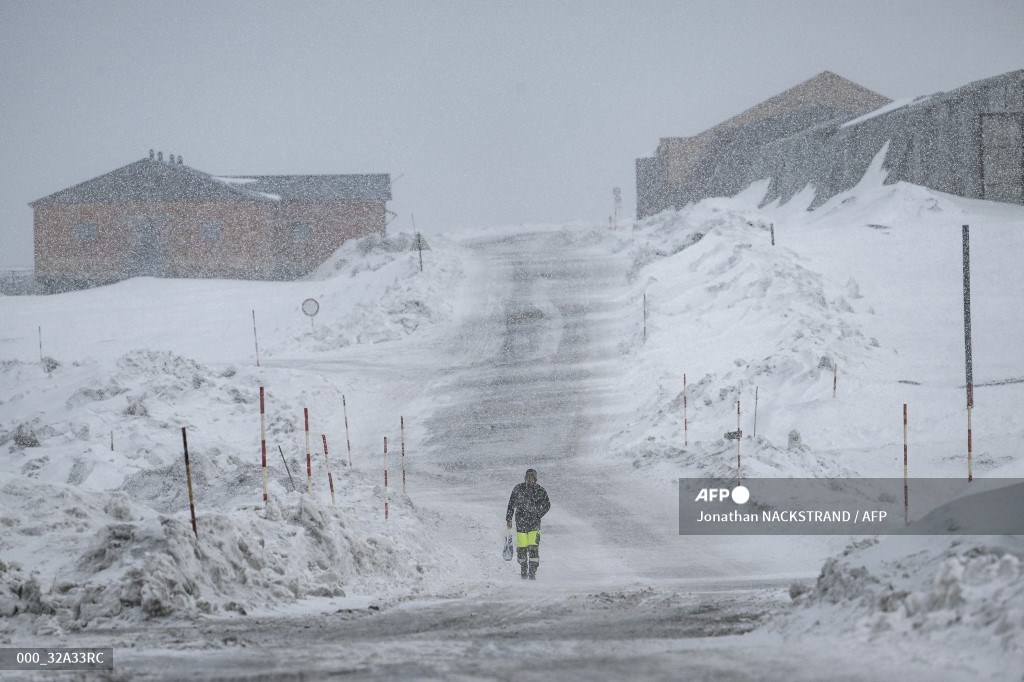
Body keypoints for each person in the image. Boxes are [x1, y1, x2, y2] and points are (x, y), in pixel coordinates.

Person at [505, 468, 550, 580]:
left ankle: (533, 572)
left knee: (533, 548)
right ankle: (523, 568)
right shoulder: (518, 489)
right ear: (525, 477)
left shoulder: (541, 491)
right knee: (522, 549)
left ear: (535, 478)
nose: (530, 479)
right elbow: (511, 504)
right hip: (521, 524)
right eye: (528, 477)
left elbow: (547, 505)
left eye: (532, 477)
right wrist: (509, 518)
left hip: (534, 525)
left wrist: (538, 514)